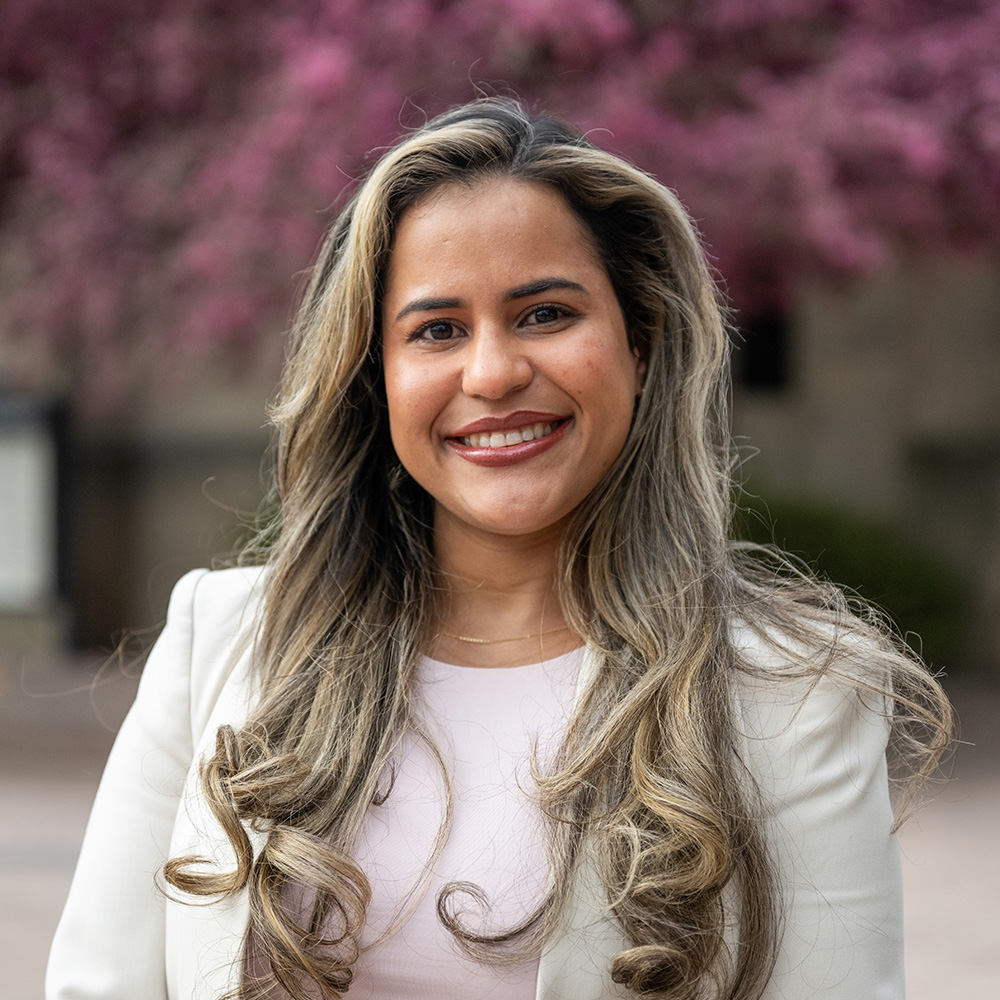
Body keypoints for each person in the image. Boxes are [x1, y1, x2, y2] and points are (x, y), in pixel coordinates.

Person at [47, 98, 952, 1000]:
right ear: (377, 378)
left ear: (638, 339)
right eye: (436, 330)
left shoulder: (795, 696)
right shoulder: (222, 640)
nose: (492, 374)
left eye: (546, 313)